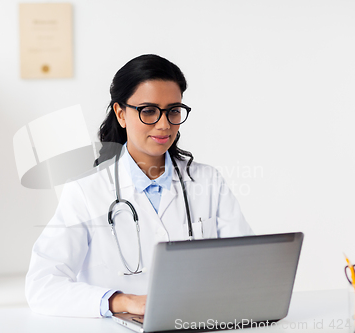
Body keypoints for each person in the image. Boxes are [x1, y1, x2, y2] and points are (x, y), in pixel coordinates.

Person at [25, 54, 254, 318]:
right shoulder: (86, 190)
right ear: (121, 114)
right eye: (148, 111)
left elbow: (247, 268)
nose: (164, 124)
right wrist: (124, 302)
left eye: (174, 111)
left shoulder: (207, 181)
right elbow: (42, 287)